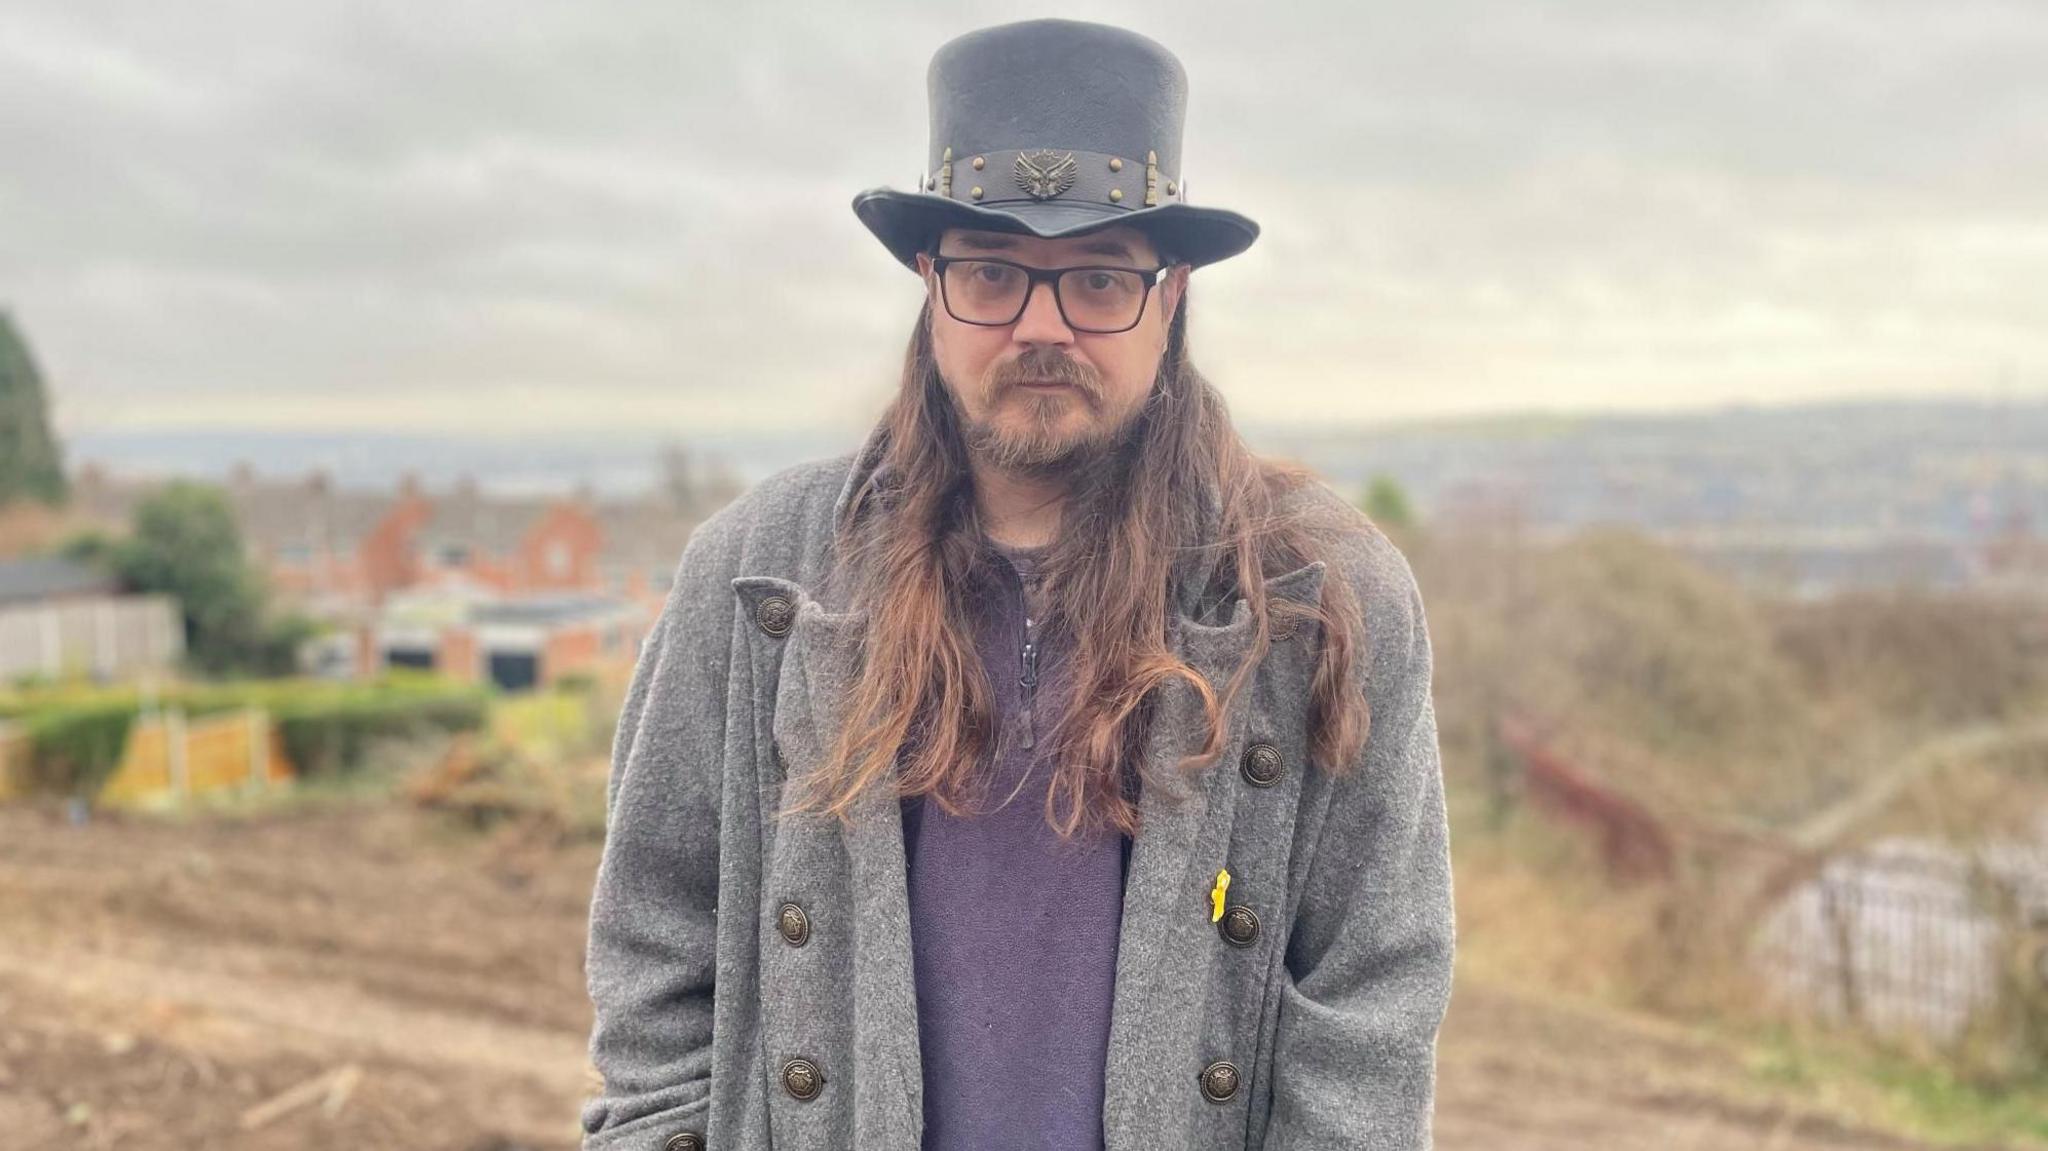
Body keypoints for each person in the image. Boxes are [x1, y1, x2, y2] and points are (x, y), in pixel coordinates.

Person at [579, 17, 1454, 1151]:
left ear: (1171, 293)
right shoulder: (757, 577)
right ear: (926, 281)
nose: (1042, 328)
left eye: (1097, 279)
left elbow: (1371, 980)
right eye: (991, 273)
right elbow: (654, 937)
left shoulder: (1317, 592)